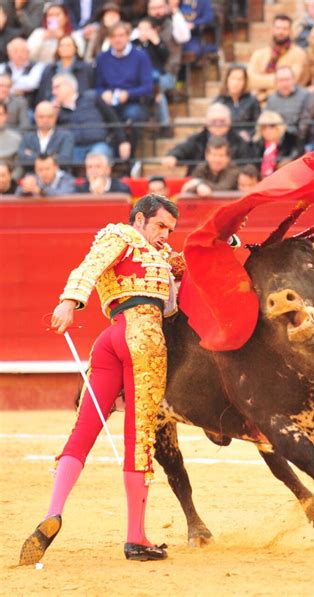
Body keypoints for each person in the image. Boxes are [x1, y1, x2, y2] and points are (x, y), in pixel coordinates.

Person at [19, 194, 184, 565]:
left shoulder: (157, 257)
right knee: (140, 436)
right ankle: (136, 537)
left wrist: (177, 273)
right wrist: (69, 301)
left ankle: (53, 512)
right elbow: (89, 266)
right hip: (142, 339)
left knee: (84, 430)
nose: (165, 235)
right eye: (160, 226)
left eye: (171, 230)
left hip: (111, 339)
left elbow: (172, 307)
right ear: (140, 219)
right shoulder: (122, 236)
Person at [95, 21, 153, 154]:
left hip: (134, 103)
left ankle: (128, 159)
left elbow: (147, 87)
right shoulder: (102, 58)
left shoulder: (140, 56)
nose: (118, 39)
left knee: (132, 116)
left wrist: (128, 94)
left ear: (128, 37)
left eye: (121, 35)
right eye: (114, 36)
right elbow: (97, 86)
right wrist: (104, 93)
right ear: (109, 39)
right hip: (108, 103)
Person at [52, 73, 131, 163]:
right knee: (64, 160)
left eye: (56, 87)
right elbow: (52, 135)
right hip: (74, 148)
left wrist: (123, 141)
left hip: (98, 144)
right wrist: (54, 115)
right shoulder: (57, 111)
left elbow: (113, 119)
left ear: (69, 86)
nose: (53, 92)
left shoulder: (92, 97)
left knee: (97, 159)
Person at [161, 102, 254, 175]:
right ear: (206, 123)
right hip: (200, 183)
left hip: (230, 185)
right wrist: (173, 156)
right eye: (214, 121)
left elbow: (247, 165)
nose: (218, 124)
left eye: (222, 121)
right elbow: (183, 149)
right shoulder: (197, 139)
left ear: (229, 122)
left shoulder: (239, 142)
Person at [247, 14, 308, 104]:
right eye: (278, 28)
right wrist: (278, 80)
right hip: (257, 103)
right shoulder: (259, 54)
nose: (281, 32)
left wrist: (262, 83)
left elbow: (291, 82)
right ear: (272, 30)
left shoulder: (298, 54)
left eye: (284, 29)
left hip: (287, 102)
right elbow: (251, 80)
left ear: (290, 31)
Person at [36, 34, 94, 103]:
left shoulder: (85, 68)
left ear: (75, 49)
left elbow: (89, 89)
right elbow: (42, 93)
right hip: (53, 104)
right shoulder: (49, 69)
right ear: (58, 49)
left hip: (77, 105)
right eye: (62, 45)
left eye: (68, 45)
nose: (65, 48)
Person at [18, 100, 75, 168]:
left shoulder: (66, 136)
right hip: (32, 175)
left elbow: (65, 160)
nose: (45, 120)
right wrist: (53, 157)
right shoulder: (27, 137)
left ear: (55, 117)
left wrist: (33, 155)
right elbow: (23, 160)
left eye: (49, 116)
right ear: (35, 117)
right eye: (41, 117)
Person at [213, 63, 261, 140]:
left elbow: (258, 124)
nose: (236, 83)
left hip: (247, 141)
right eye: (233, 78)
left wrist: (248, 134)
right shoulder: (219, 101)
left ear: (245, 81)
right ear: (227, 79)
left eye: (240, 79)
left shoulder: (252, 100)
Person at [0, 37, 45, 109]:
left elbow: (31, 84)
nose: (19, 54)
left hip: (29, 107)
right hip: (4, 107)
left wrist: (6, 88)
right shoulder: (2, 67)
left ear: (28, 52)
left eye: (22, 51)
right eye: (15, 51)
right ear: (8, 53)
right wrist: (16, 89)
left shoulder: (37, 66)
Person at [253, 110, 299, 178]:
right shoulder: (256, 145)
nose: (267, 130)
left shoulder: (290, 142)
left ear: (279, 127)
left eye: (272, 126)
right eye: (264, 127)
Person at [266, 66, 309, 136]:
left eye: (287, 80)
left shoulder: (305, 95)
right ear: (276, 82)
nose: (284, 84)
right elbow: (267, 120)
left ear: (294, 80)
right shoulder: (271, 99)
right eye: (281, 80)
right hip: (277, 137)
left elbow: (306, 121)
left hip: (298, 136)